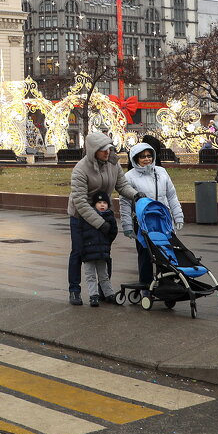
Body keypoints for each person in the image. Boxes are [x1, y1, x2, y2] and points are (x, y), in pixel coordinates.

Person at [67, 131, 138, 306]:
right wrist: (99, 224)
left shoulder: (113, 164)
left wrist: (137, 196)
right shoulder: (81, 169)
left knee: (104, 252)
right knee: (78, 251)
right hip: (80, 216)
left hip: (104, 213)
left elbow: (122, 185)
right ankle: (74, 290)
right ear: (93, 151)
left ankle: (104, 290)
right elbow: (81, 202)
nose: (107, 152)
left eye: (109, 148)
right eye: (103, 149)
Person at [121, 142, 182, 290]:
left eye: (149, 156)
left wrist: (178, 215)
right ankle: (146, 285)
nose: (147, 159)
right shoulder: (129, 177)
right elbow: (125, 204)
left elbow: (171, 196)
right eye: (142, 157)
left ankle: (166, 284)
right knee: (145, 254)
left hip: (162, 219)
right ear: (135, 159)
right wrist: (128, 226)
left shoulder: (161, 172)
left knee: (166, 252)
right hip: (142, 222)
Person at [80, 190, 118, 307]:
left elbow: (113, 232)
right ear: (94, 204)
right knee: (90, 276)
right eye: (99, 202)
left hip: (102, 253)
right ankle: (93, 295)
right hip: (88, 252)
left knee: (104, 275)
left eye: (104, 203)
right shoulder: (88, 216)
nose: (102, 205)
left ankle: (109, 294)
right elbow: (82, 234)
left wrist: (107, 243)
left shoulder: (109, 217)